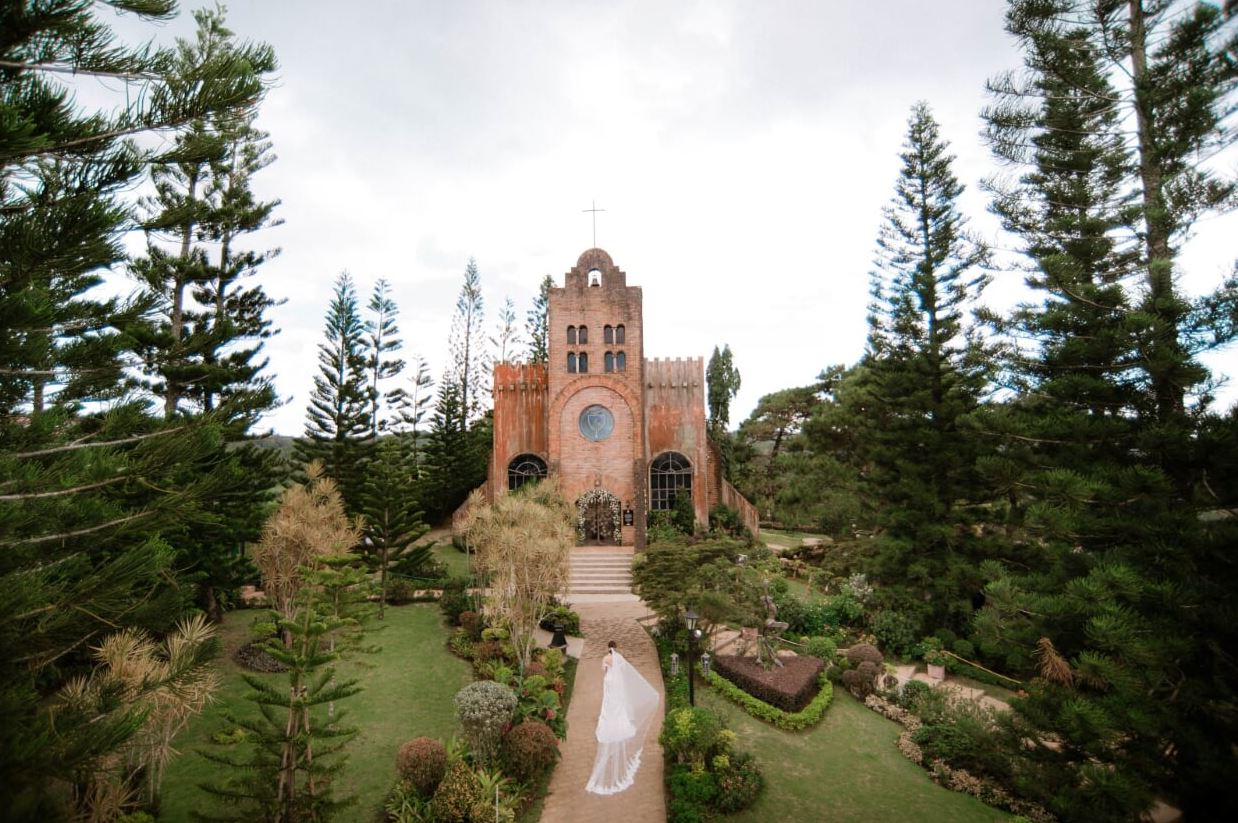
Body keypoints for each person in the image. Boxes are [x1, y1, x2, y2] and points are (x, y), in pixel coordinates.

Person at [585, 640, 659, 795]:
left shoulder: (605, 659)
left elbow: (605, 672)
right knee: (617, 705)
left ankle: (609, 720)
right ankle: (619, 721)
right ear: (616, 648)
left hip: (609, 683)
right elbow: (624, 672)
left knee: (608, 704)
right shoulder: (619, 659)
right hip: (616, 685)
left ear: (607, 648)